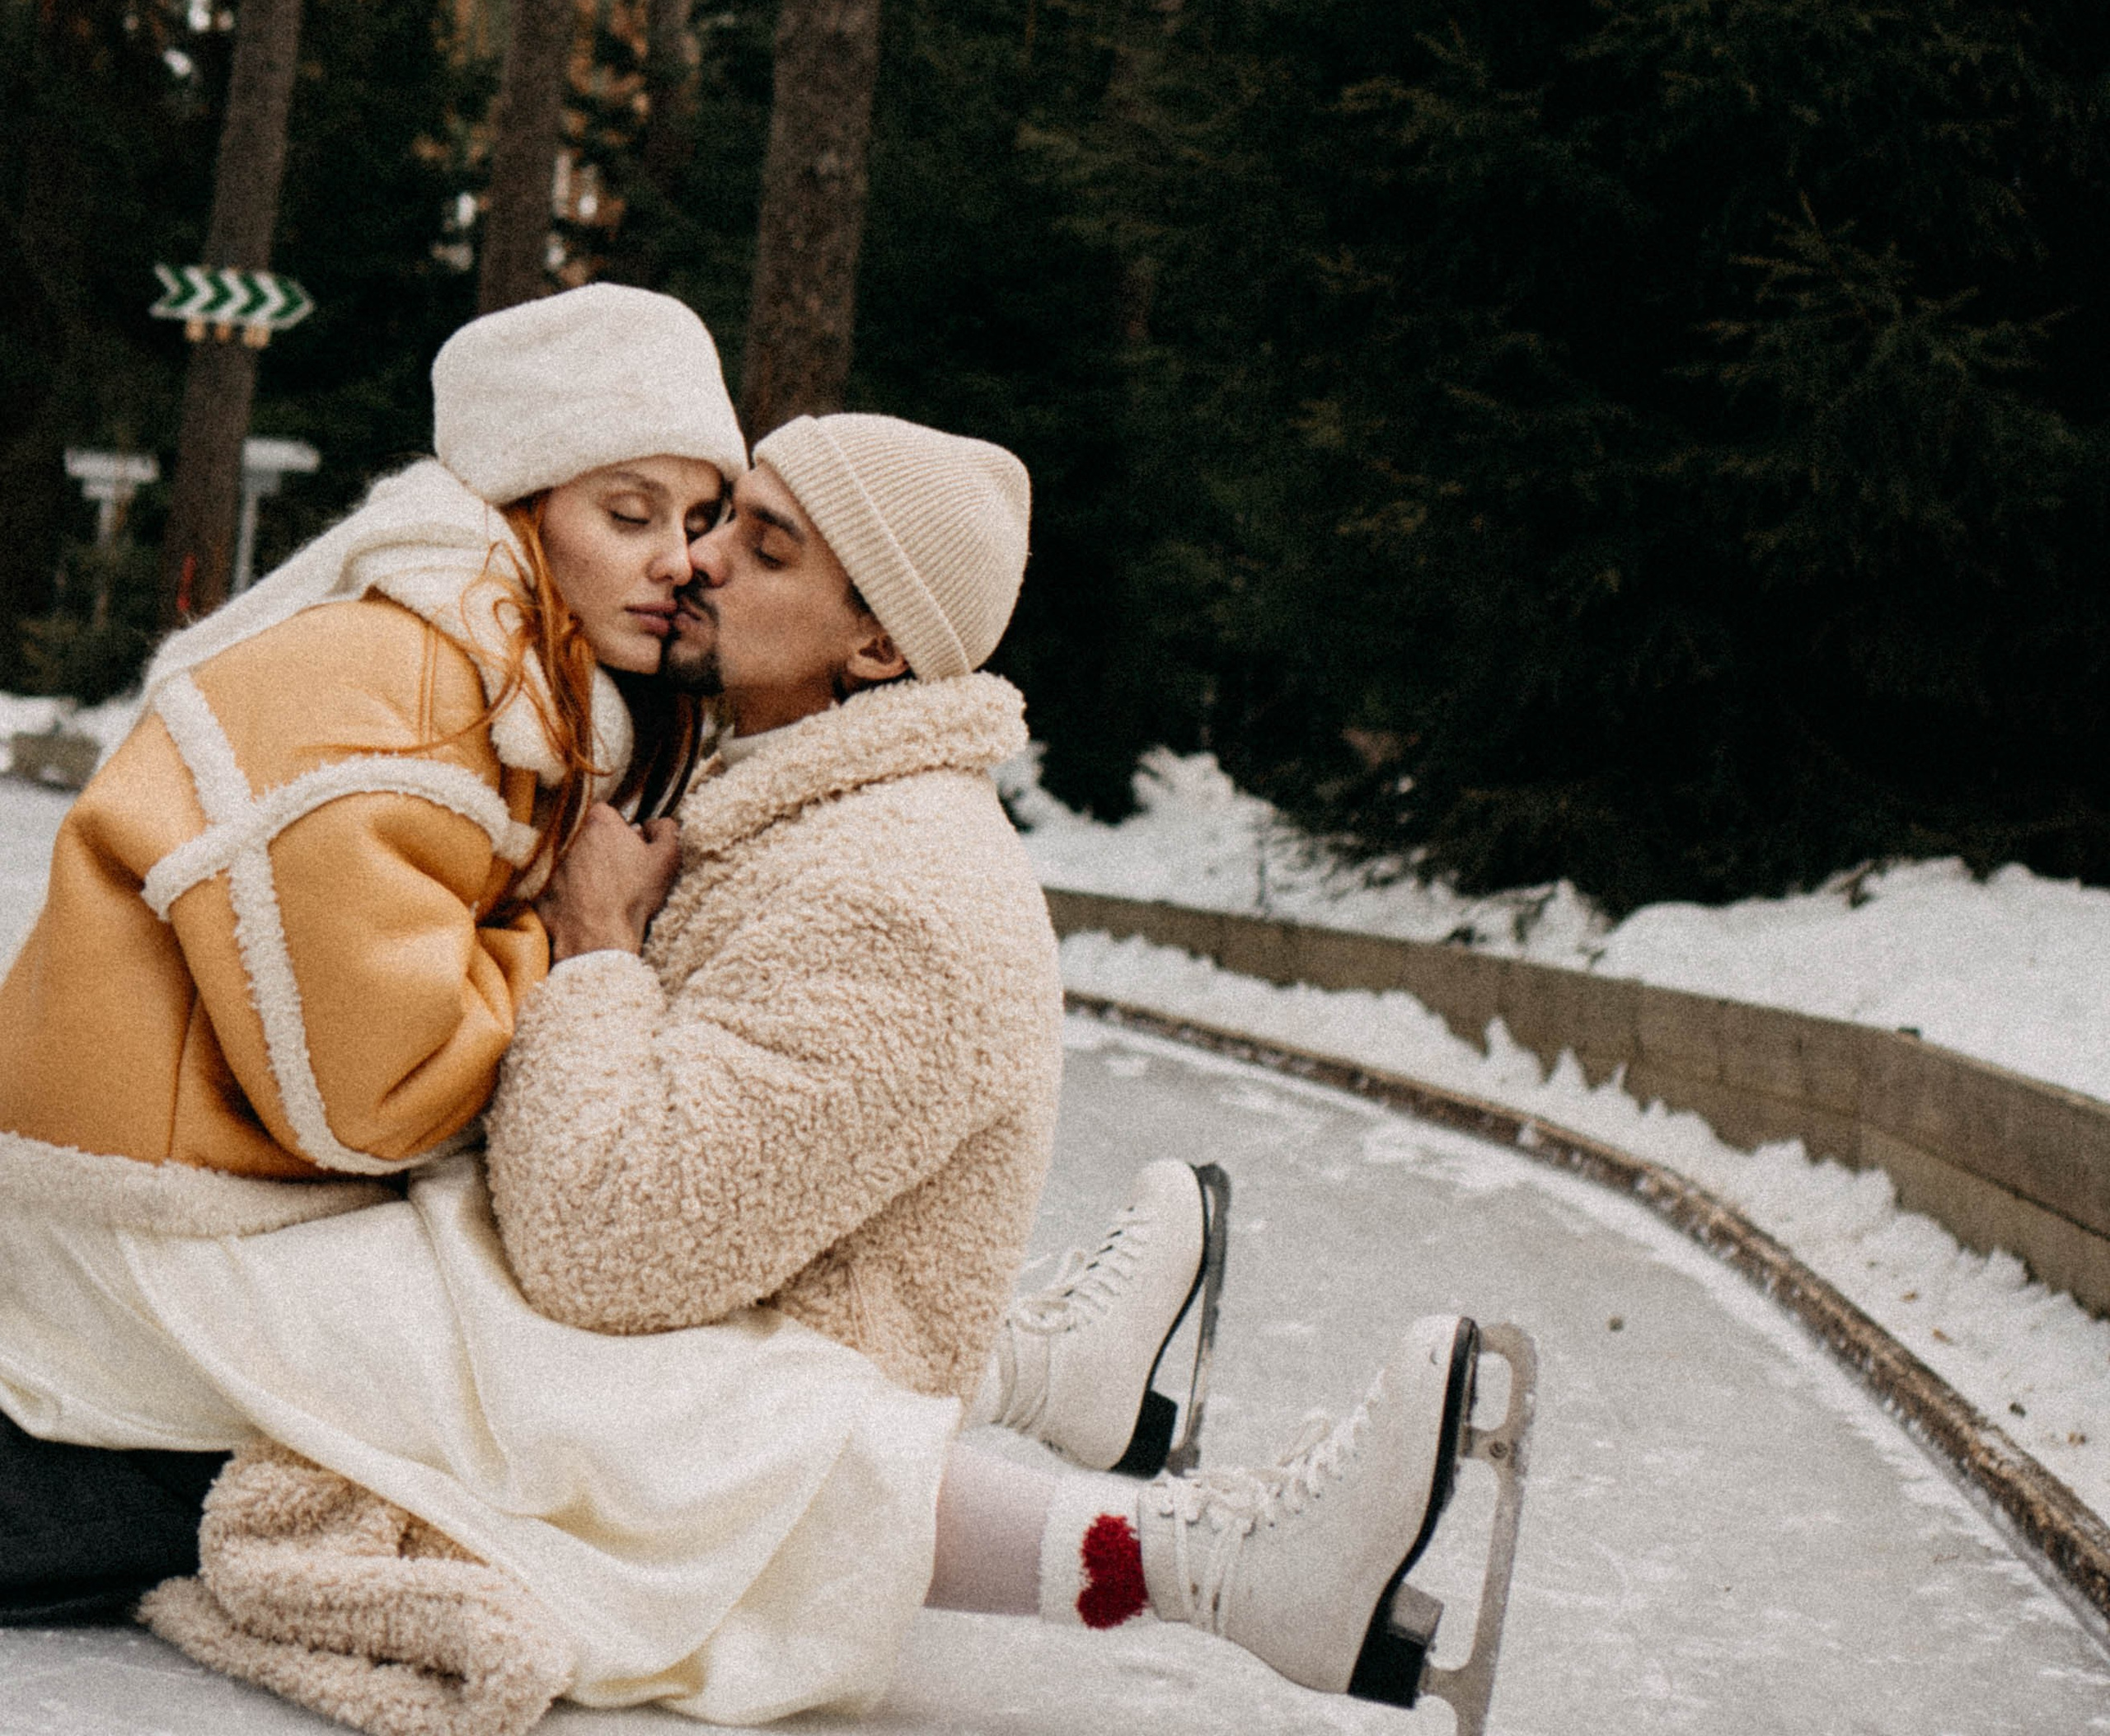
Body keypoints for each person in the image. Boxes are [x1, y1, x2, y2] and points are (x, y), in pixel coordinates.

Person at [126, 415, 1521, 1731]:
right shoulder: (796, 804)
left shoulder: (895, 892)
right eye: (728, 516)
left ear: (869, 646)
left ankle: (1213, 1558)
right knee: (280, 1280)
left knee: (285, 1310)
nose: (702, 555)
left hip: (749, 1361)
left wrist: (601, 946)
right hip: (732, 1292)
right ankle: (1054, 1380)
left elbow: (607, 1242)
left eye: (767, 546)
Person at [0, 279, 745, 1617]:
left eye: (698, 520)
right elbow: (377, 1091)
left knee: (612, 1339)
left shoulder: (513, 691)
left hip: (231, 1197)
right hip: (148, 1235)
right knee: (581, 1397)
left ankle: (1027, 1389)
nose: (678, 560)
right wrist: (587, 941)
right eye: (625, 513)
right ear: (520, 507)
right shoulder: (401, 676)